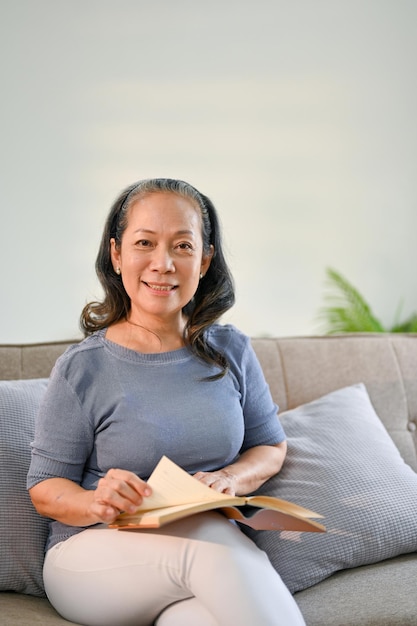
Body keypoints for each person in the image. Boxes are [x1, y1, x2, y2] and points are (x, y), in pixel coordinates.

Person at [27, 178, 305, 626]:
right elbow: (46, 489)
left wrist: (230, 479)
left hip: (202, 565)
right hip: (93, 557)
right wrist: (98, 500)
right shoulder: (83, 368)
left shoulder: (231, 349)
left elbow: (270, 447)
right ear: (117, 255)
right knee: (210, 543)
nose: (163, 263)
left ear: (205, 259)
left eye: (182, 246)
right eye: (144, 243)